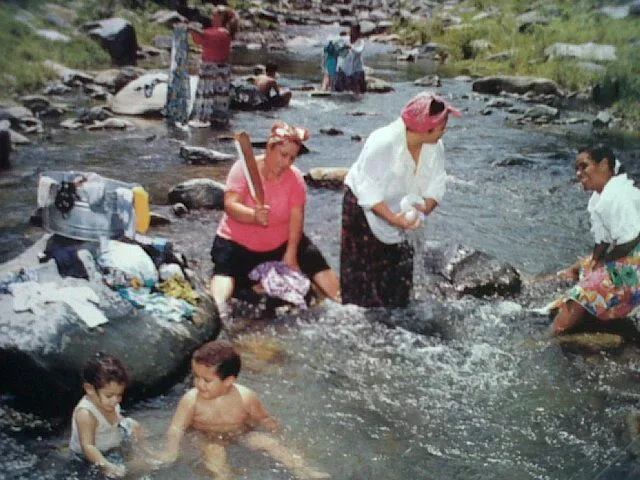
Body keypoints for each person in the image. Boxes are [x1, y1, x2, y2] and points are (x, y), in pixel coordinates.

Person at [340, 92, 462, 307]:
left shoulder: (435, 146)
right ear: (426, 128)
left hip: (402, 209)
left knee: (399, 274)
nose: (445, 129)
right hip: (363, 206)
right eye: (442, 125)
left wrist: (423, 208)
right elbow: (368, 189)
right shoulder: (383, 142)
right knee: (362, 276)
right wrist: (394, 219)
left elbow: (436, 182)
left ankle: (397, 312)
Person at [210, 121, 341, 317]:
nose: (287, 162)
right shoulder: (244, 169)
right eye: (283, 155)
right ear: (270, 149)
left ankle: (341, 303)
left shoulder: (295, 178)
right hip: (237, 242)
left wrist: (291, 253)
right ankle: (218, 310)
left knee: (313, 258)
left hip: (279, 243)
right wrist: (253, 216)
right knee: (226, 270)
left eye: (292, 158)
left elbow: (297, 218)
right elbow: (230, 205)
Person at [159, 340, 330, 479]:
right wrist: (170, 451)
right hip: (205, 437)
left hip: (240, 434)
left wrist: (278, 433)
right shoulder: (191, 400)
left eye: (206, 380)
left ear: (228, 381)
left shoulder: (245, 397)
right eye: (196, 377)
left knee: (267, 442)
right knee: (215, 452)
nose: (199, 384)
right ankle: (224, 477)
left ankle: (304, 470)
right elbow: (177, 428)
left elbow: (264, 419)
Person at [551, 145, 640, 335]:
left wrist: (602, 265)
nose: (578, 173)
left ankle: (553, 335)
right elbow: (603, 239)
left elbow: (630, 240)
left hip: (636, 260)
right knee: (583, 264)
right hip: (629, 253)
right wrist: (596, 260)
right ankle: (544, 282)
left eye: (584, 166)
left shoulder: (619, 195)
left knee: (581, 294)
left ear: (604, 165)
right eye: (577, 168)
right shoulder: (600, 196)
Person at [69, 353, 143, 478]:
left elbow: (115, 420)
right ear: (90, 389)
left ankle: (148, 452)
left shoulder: (108, 402)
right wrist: (107, 466)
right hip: (89, 458)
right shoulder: (86, 413)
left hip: (112, 447)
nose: (115, 400)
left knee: (135, 428)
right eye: (109, 395)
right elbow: (88, 446)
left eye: (119, 395)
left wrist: (128, 425)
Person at [188, 5, 239, 128]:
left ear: (221, 17)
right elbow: (199, 40)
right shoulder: (215, 31)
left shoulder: (223, 32)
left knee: (212, 98)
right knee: (214, 98)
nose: (212, 18)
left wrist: (191, 28)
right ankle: (213, 122)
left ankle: (209, 122)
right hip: (211, 70)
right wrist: (191, 31)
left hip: (215, 71)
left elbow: (205, 37)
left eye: (214, 16)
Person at [343, 23, 366, 95]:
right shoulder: (345, 39)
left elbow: (359, 51)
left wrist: (351, 47)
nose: (352, 32)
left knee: (358, 89)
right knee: (347, 89)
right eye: (351, 30)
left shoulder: (361, 42)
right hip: (347, 68)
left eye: (354, 30)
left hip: (357, 69)